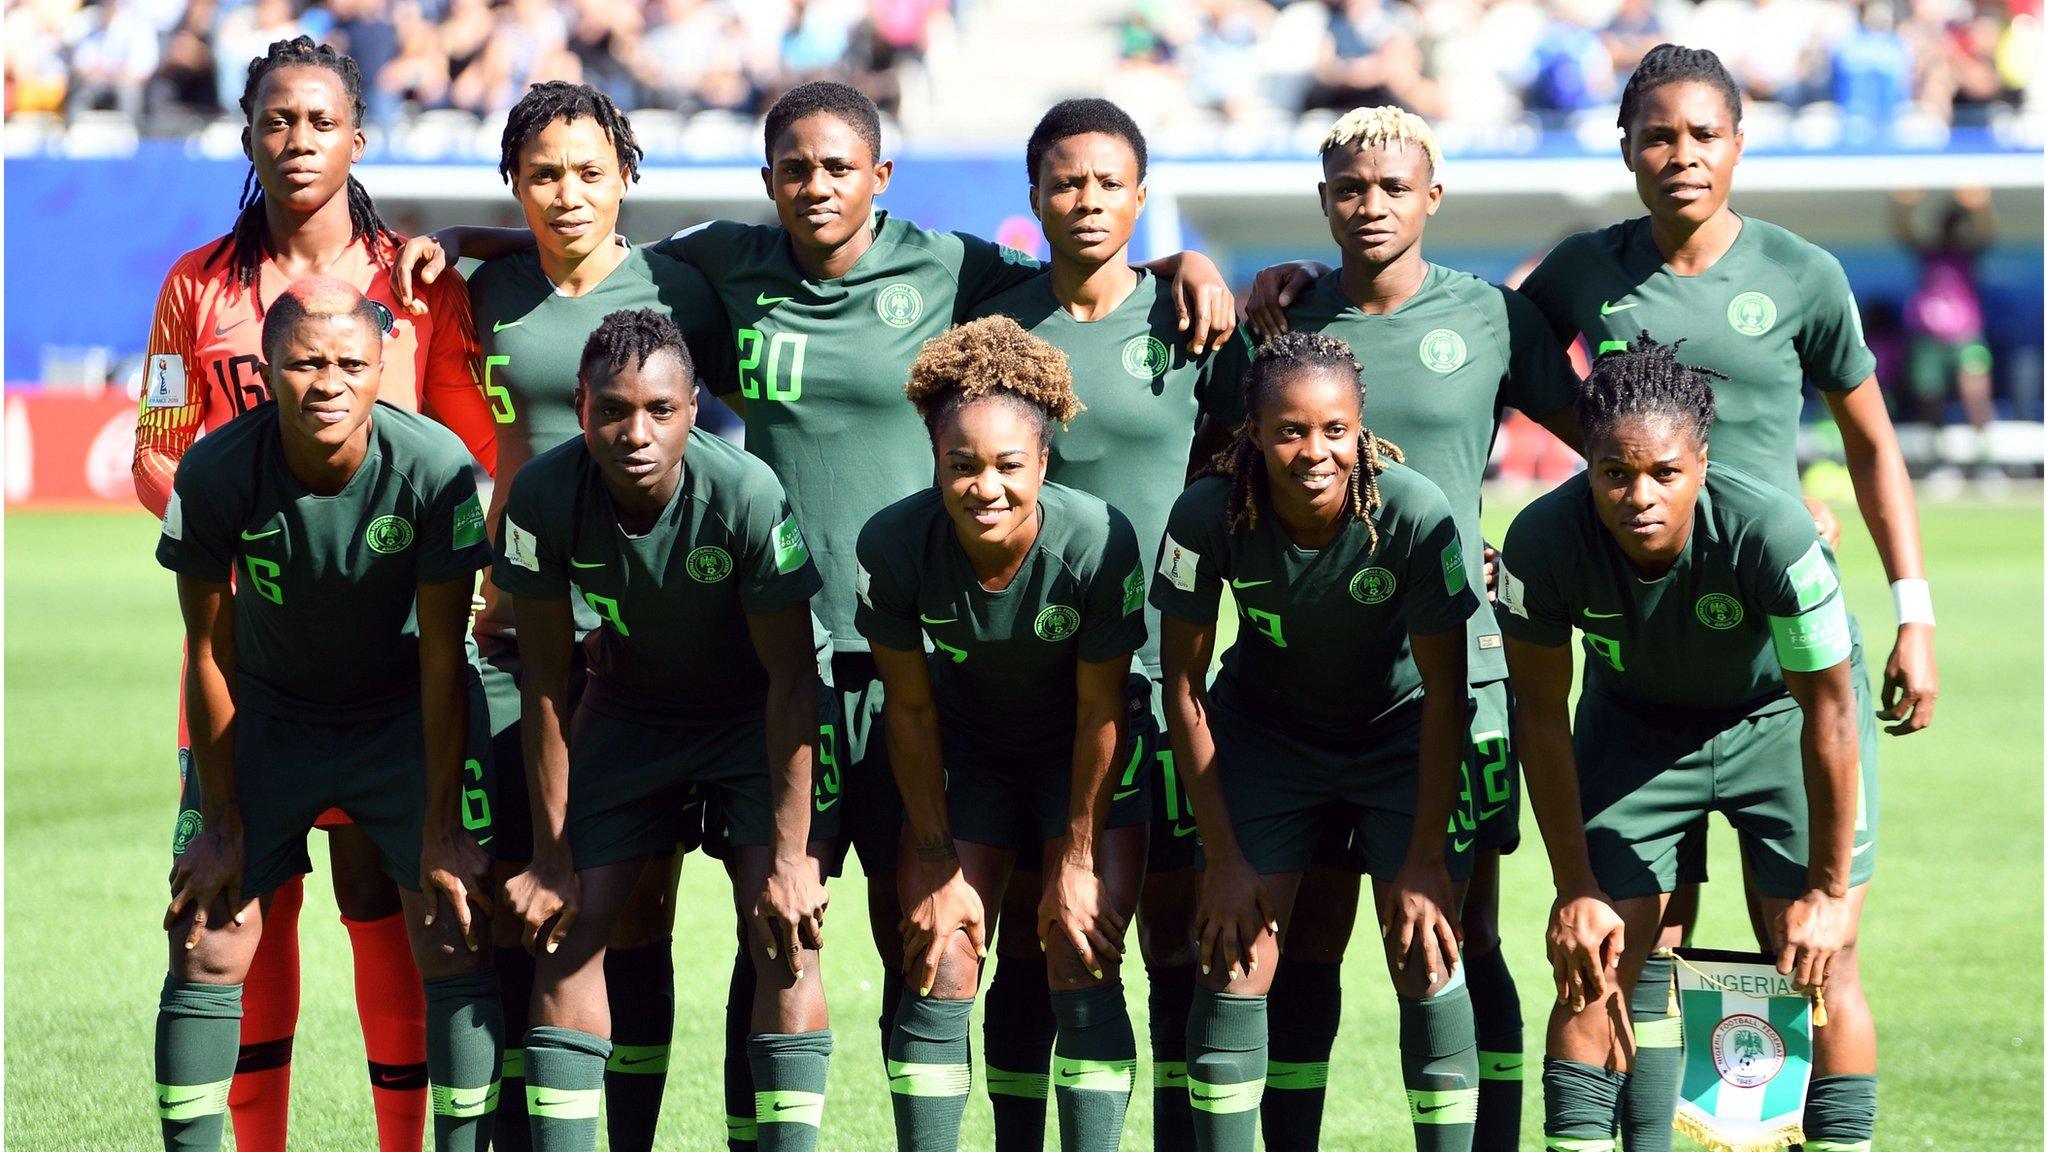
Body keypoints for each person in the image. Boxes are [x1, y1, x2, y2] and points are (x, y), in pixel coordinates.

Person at [392, 80, 1237, 1151]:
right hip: (778, 656)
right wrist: (480, 233)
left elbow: (1085, 260)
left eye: (839, 167)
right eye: (795, 168)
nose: (817, 186)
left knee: (917, 928)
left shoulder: (948, 266)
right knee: (774, 922)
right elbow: (595, 245)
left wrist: (1186, 264)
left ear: (880, 178)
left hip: (916, 667)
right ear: (765, 182)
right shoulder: (724, 264)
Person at [1515, 43, 1933, 1147]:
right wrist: (1619, 466)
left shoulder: (1799, 275)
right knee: (1619, 959)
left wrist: (1912, 608)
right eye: (1656, 134)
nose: (1680, 154)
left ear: (1737, 143)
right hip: (1632, 679)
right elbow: (1488, 346)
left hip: (1778, 669)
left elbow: (1873, 446)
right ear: (1624, 147)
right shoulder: (1579, 271)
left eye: (1702, 133)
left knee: (1816, 953)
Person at [132, 35, 496, 1152]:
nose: (297, 141)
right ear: (248, 135)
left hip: (393, 654)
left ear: (358, 137)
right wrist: (252, 544)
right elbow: (153, 447)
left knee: (390, 910)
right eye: (276, 121)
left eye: (320, 121)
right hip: (253, 650)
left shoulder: (416, 282)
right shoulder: (194, 286)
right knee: (247, 903)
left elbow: (469, 443)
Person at [1237, 105, 1582, 1149]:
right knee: (1304, 936)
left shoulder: (1486, 318)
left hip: (1450, 679)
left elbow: (1604, 447)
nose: (1370, 205)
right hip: (1299, 685)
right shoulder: (1282, 328)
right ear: (1322, 200)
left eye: (1393, 187)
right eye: (1349, 187)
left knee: (1454, 930)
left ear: (1432, 196)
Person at [1497, 333, 1877, 1152]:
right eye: (1615, 473)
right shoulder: (1540, 543)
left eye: (1665, 473)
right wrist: (1573, 887)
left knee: (1821, 960)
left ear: (1701, 464)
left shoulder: (1773, 532)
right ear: (1585, 466)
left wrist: (1827, 892)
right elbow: (1537, 712)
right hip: (1633, 722)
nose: (1641, 495)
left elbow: (1833, 713)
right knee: (1595, 963)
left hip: (1778, 716)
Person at [462, 79, 737, 1152]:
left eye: (588, 171)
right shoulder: (480, 289)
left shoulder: (685, 287)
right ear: (512, 185)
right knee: (506, 893)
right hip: (507, 630)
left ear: (627, 172)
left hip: (640, 645)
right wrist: (466, 238)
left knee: (633, 909)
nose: (567, 193)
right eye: (541, 176)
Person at [493, 309, 835, 1152]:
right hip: (632, 709)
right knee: (565, 933)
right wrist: (550, 854)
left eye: (659, 410)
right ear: (580, 408)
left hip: (754, 716)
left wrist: (792, 863)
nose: (634, 432)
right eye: (612, 410)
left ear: (692, 410)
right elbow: (543, 680)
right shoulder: (542, 497)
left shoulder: (746, 493)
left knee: (783, 935)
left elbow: (793, 678)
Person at [966, 97, 1235, 1152]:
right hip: (1028, 683)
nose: (1085, 200)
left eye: (1107, 181)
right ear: (1032, 196)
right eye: (1064, 182)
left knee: (1172, 938)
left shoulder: (1189, 322)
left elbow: (1241, 463)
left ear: (1138, 193)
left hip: (1165, 675)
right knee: (1040, 935)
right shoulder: (993, 323)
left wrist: (1191, 264)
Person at [1154, 332, 1477, 1152]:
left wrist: (1424, 857)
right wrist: (1223, 857)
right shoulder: (1207, 513)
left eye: (1334, 429)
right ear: (1253, 432)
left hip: (1397, 736)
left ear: (1362, 427)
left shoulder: (1411, 511)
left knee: (1426, 952)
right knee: (1233, 955)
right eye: (1290, 430)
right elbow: (1183, 686)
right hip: (1266, 738)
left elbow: (1447, 692)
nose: (1313, 450)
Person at [856, 315, 1147, 1152]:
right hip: (969, 760)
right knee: (941, 955)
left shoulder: (1096, 540)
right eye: (962, 465)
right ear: (935, 462)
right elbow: (908, 712)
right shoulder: (895, 544)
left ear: (1044, 464)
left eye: (1009, 466)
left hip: (1077, 763)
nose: (986, 486)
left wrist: (1079, 861)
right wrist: (941, 861)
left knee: (1080, 949)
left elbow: (1100, 714)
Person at [1890, 187, 1997, 433]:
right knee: (1929, 393)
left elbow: (1986, 230)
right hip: (1928, 339)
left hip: (1966, 335)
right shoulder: (1929, 253)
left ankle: (1984, 445)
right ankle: (1932, 449)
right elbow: (1904, 232)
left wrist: (1980, 206)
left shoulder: (1970, 254)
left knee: (1976, 390)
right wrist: (1903, 206)